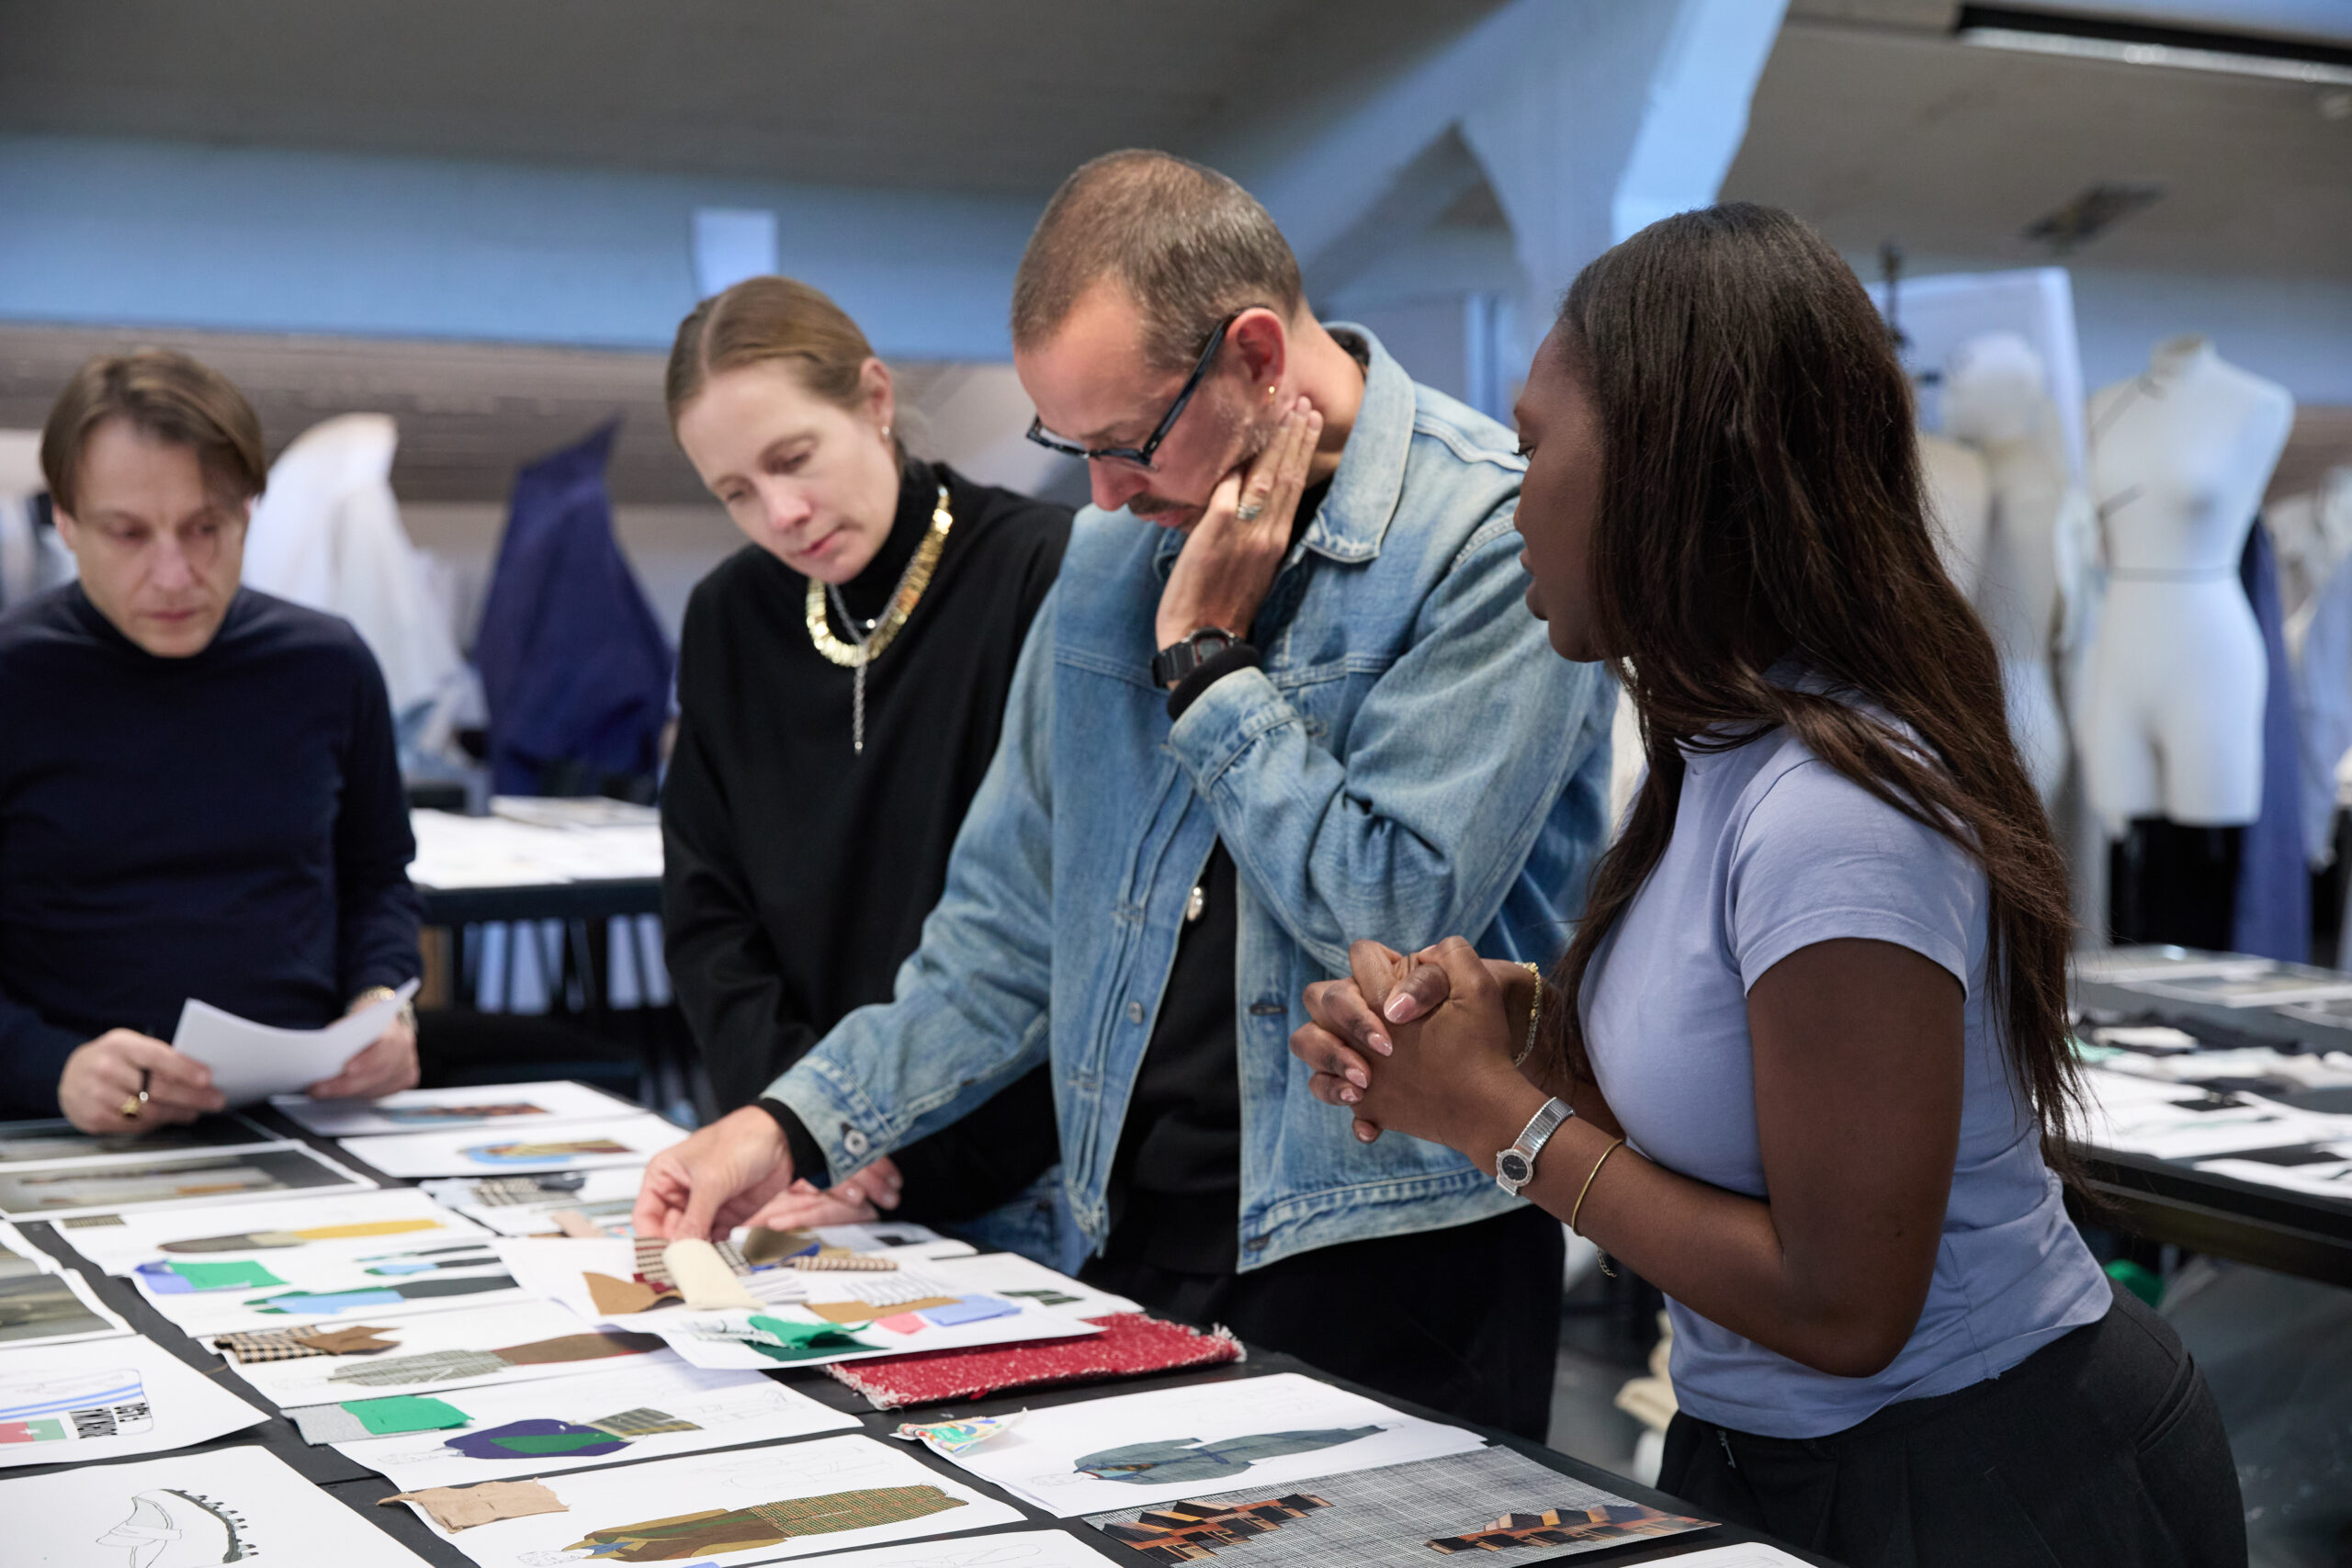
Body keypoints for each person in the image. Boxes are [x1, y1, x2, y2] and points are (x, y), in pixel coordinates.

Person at [1291, 204, 2244, 1563]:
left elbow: (1845, 1306)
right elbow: (1730, 1109)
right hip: (1785, 1456)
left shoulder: (1836, 811)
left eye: (1536, 446)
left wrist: (1496, 1117)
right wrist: (1514, 1035)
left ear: (1673, 466)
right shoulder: (1723, 749)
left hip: (1986, 1477)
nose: (1514, 499)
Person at [637, 151, 1614, 1438]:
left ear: (1254, 354)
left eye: (1124, 441)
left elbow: (1389, 919)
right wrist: (791, 1123)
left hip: (1395, 1247)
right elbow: (1005, 929)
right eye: (1071, 447)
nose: (1099, 494)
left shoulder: (1485, 535)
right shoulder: (1115, 552)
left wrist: (1207, 664)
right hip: (1132, 1232)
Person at [659, 275, 1072, 1256]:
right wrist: (809, 1125)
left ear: (874, 399)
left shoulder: (1039, 571)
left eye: (793, 458)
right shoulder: (728, 616)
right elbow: (708, 912)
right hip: (798, 1174)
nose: (782, 512)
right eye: (736, 492)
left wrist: (862, 1131)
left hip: (1011, 1170)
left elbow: (1050, 920)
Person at [0, 349, 422, 1132]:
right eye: (128, 534)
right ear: (65, 522)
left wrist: (381, 1004)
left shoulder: (328, 665)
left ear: (249, 512)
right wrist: (52, 1067)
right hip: (57, 1124)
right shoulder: (15, 676)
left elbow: (377, 878)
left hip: (304, 1113)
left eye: (206, 528)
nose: (174, 574)